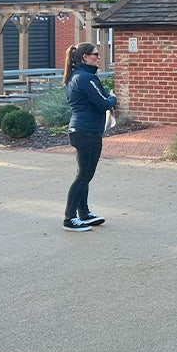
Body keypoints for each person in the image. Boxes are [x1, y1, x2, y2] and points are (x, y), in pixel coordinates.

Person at [63, 42, 116, 231]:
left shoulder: (76, 76)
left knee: (83, 175)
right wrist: (113, 98)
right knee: (84, 175)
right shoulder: (86, 78)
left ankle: (83, 213)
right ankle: (69, 219)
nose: (99, 58)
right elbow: (103, 104)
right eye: (95, 54)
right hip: (87, 132)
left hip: (82, 130)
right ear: (85, 57)